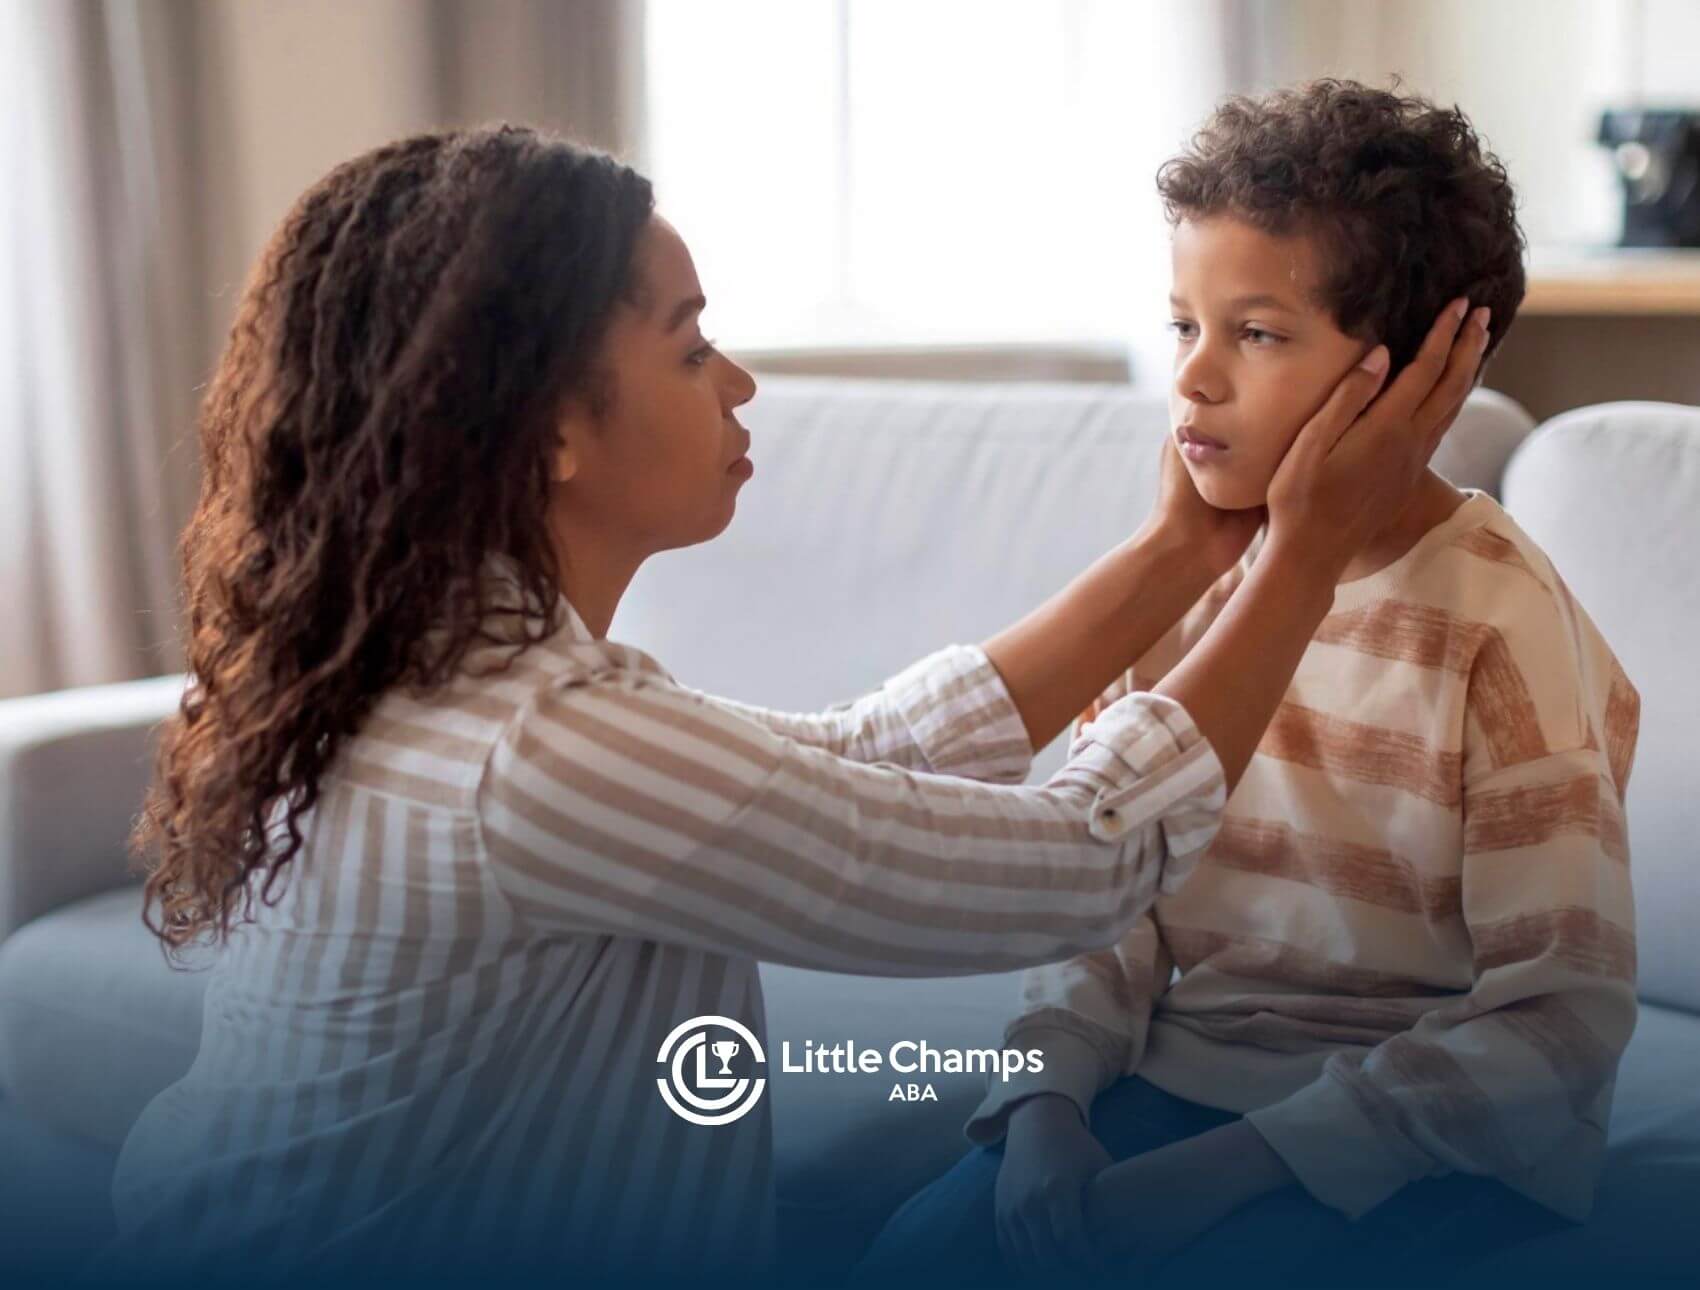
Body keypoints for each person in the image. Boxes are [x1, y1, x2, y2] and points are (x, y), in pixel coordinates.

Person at [93, 124, 1485, 1287]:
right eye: (692, 346)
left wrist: (1187, 550)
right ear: (550, 426)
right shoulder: (539, 748)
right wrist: (1301, 555)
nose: (741, 380)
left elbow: (835, 768)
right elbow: (1082, 863)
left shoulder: (457, 678)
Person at [859, 81, 1639, 1290]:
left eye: (1255, 334)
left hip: (1425, 1151)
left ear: (1412, 373)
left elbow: (1556, 1021)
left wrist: (1225, 1171)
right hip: (1176, 1088)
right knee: (914, 1257)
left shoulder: (1501, 622)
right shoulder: (1181, 591)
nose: (1192, 381)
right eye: (1183, 326)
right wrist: (1046, 1109)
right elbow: (1100, 897)